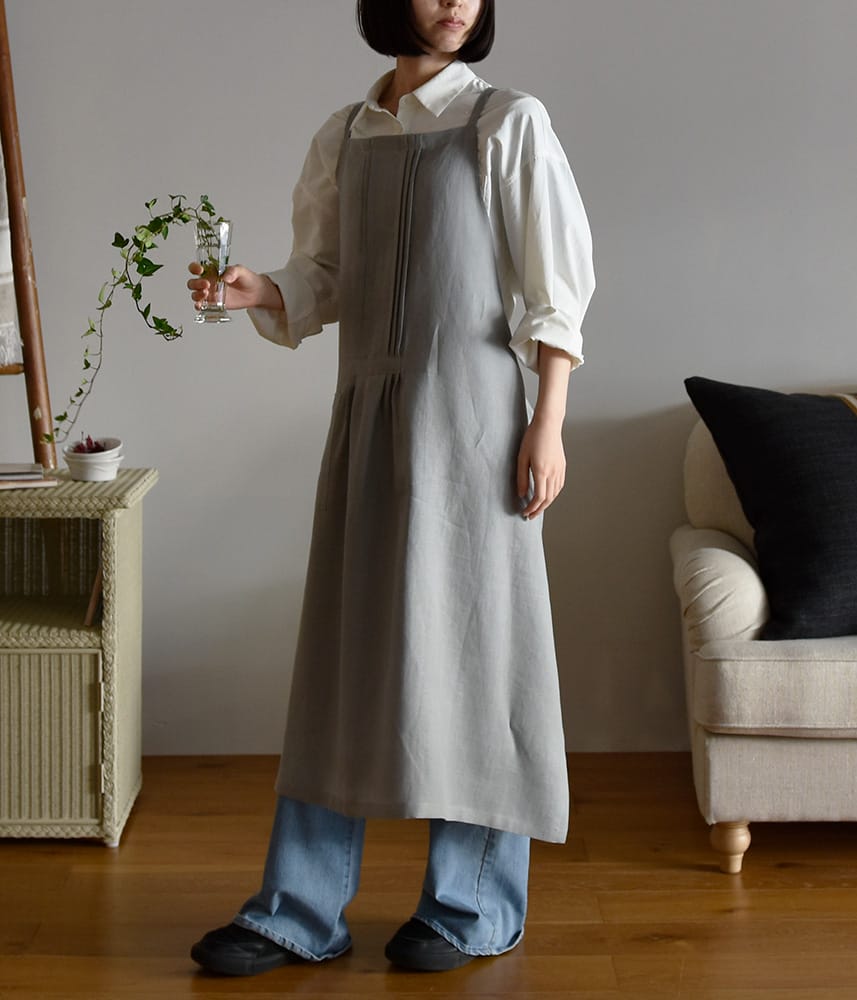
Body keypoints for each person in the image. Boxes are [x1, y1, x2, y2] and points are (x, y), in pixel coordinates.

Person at [188, 0, 594, 976]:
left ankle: (473, 905)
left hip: (479, 426)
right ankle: (298, 909)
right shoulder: (347, 134)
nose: (455, 1)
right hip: (368, 421)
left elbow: (555, 287)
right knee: (343, 652)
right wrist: (263, 289)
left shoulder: (506, 120)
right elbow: (329, 275)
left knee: (480, 653)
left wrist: (546, 423)